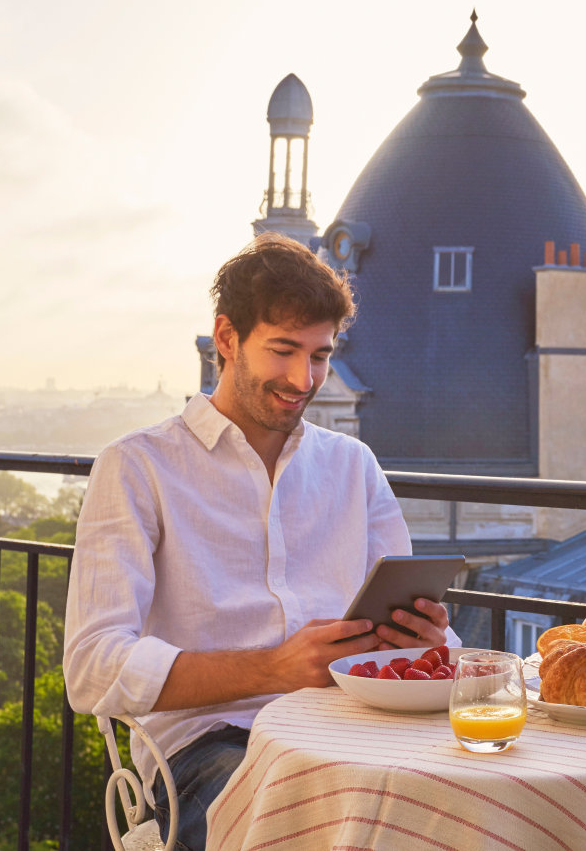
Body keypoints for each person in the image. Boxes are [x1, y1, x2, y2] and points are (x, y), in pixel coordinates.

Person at [63, 235, 456, 851]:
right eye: (283, 350)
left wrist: (426, 642)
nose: (304, 379)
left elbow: (435, 642)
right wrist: (271, 668)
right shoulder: (138, 467)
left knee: (470, 807)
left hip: (353, 730)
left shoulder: (354, 466)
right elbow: (91, 668)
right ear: (227, 338)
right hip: (210, 748)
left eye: (320, 355)